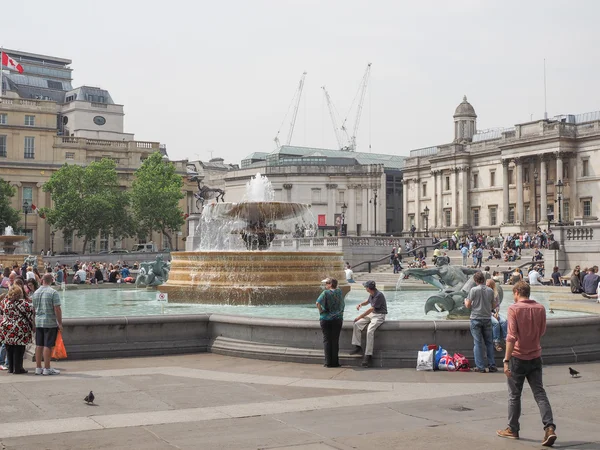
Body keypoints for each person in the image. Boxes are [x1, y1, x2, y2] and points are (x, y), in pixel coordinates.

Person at [497, 281, 557, 446]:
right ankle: (549, 427)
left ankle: (513, 429)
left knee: (514, 395)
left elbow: (511, 337)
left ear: (517, 292)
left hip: (517, 357)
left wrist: (506, 360)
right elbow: (542, 330)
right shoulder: (540, 308)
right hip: (536, 356)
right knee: (540, 393)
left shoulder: (513, 309)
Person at [464, 272, 498, 373]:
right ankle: (492, 365)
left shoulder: (473, 290)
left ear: (475, 281)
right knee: (489, 343)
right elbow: (493, 305)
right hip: (487, 319)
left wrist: (465, 300)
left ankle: (480, 367)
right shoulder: (490, 290)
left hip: (476, 319)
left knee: (478, 343)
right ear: (483, 279)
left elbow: (468, 305)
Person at [350, 280, 387, 368]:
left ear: (369, 288)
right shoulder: (372, 294)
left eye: (365, 287)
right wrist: (361, 304)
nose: (365, 288)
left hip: (379, 315)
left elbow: (371, 309)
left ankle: (368, 355)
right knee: (357, 324)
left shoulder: (379, 295)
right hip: (372, 314)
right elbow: (368, 301)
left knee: (370, 331)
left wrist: (360, 316)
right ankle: (358, 347)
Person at [32, 274, 62, 376]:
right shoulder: (53, 292)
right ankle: (47, 368)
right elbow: (57, 309)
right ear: (52, 280)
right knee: (47, 345)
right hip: (49, 322)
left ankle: (38, 367)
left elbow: (33, 310)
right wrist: (60, 323)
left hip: (38, 321)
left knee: (39, 345)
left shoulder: (35, 293)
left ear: (41, 280)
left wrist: (33, 322)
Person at [0, 285, 34, 374]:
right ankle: (18, 368)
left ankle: (11, 368)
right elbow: (30, 314)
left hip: (6, 327)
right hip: (20, 328)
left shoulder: (5, 302)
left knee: (9, 348)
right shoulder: (24, 304)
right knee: (19, 348)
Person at [316, 278, 345, 368]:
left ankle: (328, 362)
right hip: (337, 319)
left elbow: (317, 303)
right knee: (335, 340)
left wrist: (321, 311)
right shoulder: (339, 291)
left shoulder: (325, 293)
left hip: (326, 319)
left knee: (327, 340)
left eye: (327, 283)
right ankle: (335, 362)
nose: (325, 285)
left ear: (330, 284)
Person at [488, 279, 507, 352]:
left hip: (493, 312)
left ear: (492, 286)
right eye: (487, 285)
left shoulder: (496, 294)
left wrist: (496, 312)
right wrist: (492, 314)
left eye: (489, 285)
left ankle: (506, 340)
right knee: (496, 323)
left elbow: (498, 305)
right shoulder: (485, 293)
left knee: (504, 321)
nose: (487, 287)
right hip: (487, 313)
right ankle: (496, 342)